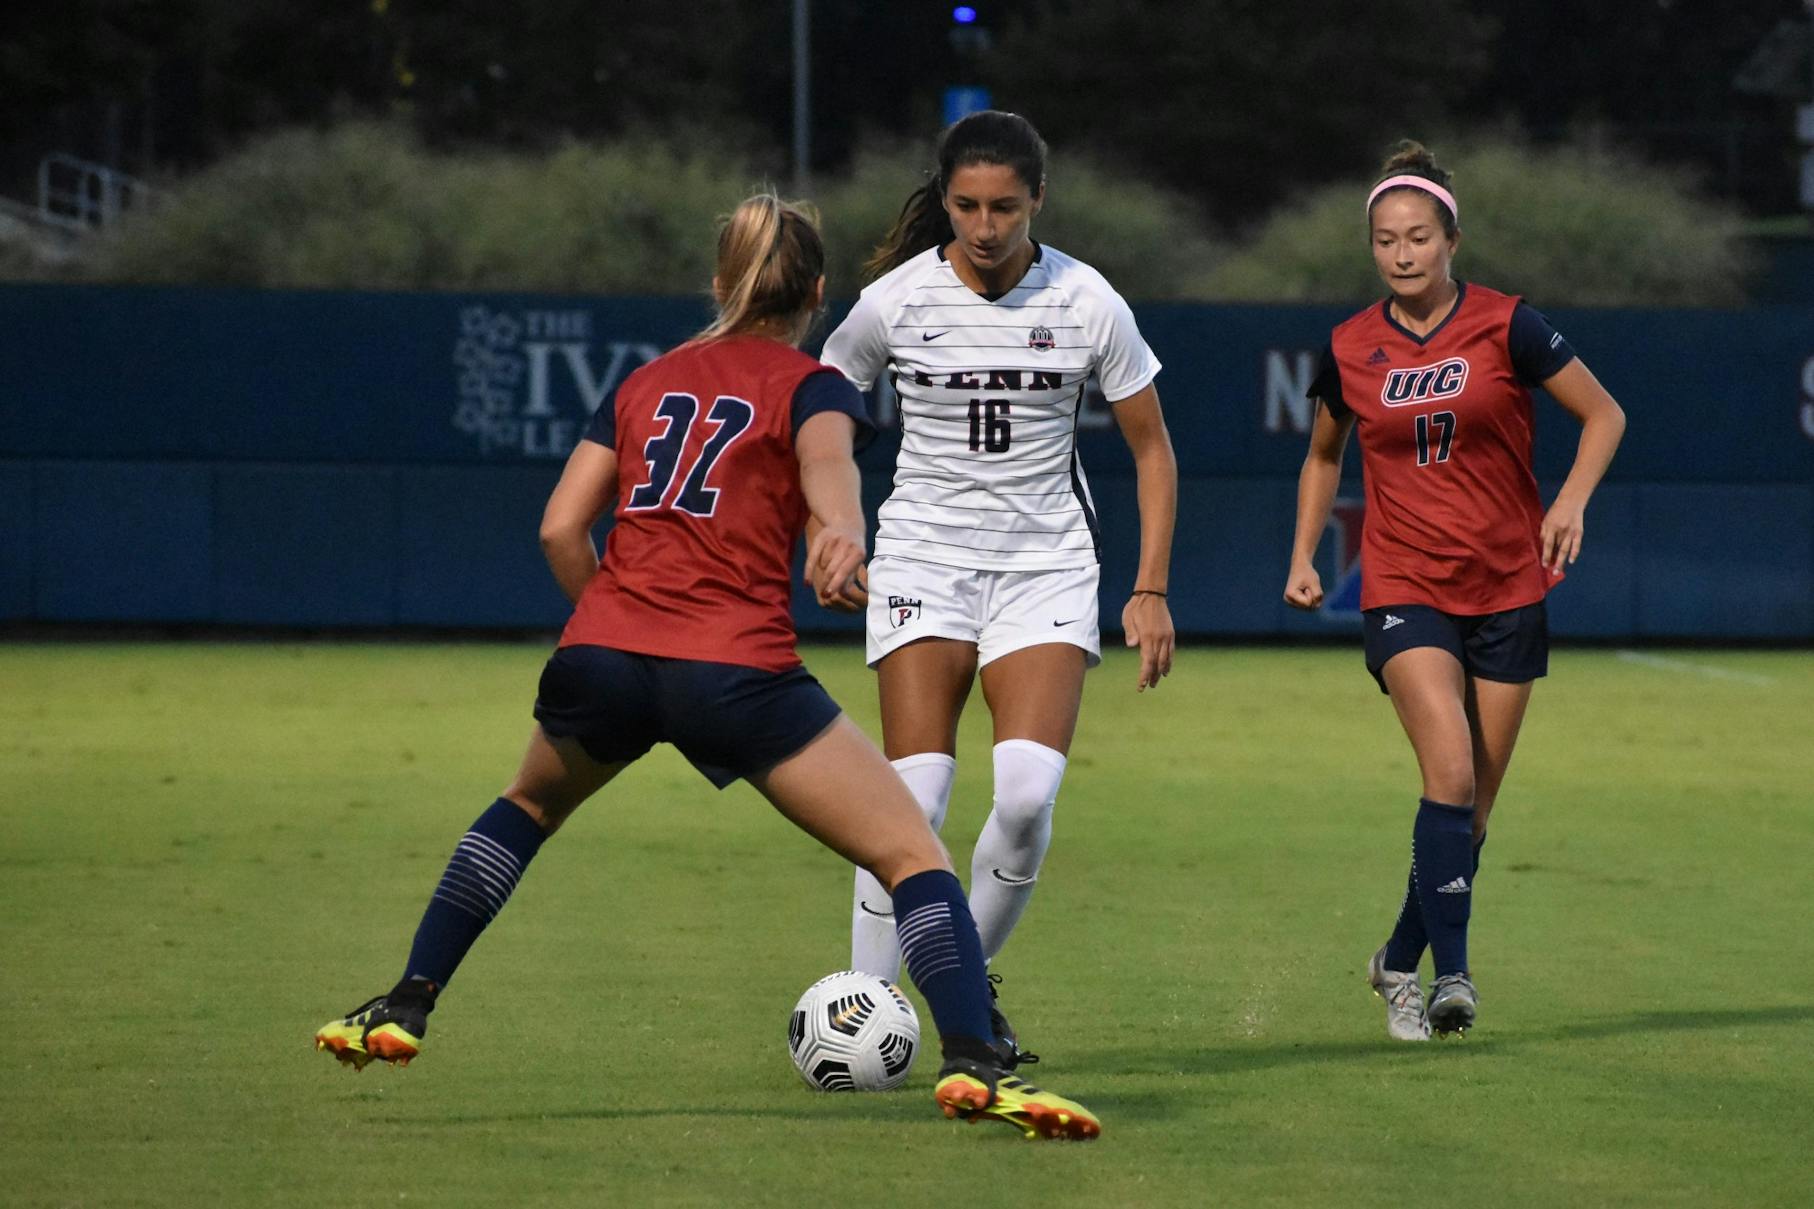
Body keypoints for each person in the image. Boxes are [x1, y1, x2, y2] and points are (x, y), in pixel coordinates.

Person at [313, 193, 1100, 1141]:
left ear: (719, 284)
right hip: (734, 671)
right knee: (911, 854)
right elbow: (832, 488)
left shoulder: (646, 381)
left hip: (603, 654)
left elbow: (562, 526)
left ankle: (406, 1003)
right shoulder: (813, 387)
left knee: (523, 809)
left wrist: (617, 621)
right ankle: (977, 1062)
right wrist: (841, 540)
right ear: (817, 291)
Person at [819, 110, 1178, 1064]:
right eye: (968, 206)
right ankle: (864, 1005)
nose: (985, 227)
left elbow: (1152, 447)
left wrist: (1149, 587)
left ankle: (956, 996)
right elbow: (822, 414)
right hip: (924, 560)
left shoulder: (1088, 299)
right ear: (946, 200)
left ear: (1038, 203)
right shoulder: (893, 301)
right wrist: (830, 528)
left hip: (1046, 564)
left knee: (1022, 796)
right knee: (915, 797)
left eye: (1006, 208)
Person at [1283, 142, 1626, 1039]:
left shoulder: (1509, 325)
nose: (1403, 254)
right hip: (1405, 583)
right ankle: (1450, 978)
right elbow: (1324, 451)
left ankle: (1399, 955)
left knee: (1472, 804)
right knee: (1449, 770)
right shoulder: (1351, 345)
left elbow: (1605, 414)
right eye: (1388, 241)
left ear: (1452, 240)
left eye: (1420, 238)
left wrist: (1573, 501)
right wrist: (1306, 553)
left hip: (1509, 584)